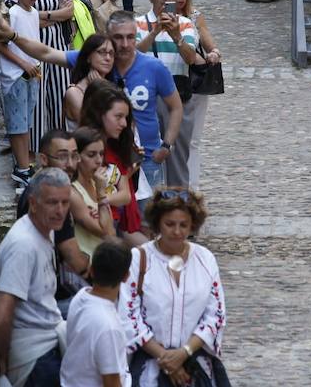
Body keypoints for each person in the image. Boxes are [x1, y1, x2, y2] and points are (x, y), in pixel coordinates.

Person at [0, 9, 183, 199]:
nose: (124, 44)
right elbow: (46, 52)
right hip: (106, 163)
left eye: (130, 37)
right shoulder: (100, 59)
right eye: (118, 38)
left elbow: (175, 106)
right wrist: (13, 36)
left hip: (147, 158)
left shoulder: (153, 67)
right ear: (108, 38)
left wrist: (166, 146)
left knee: (147, 220)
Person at [119, 188, 228, 387]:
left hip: (196, 365)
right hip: (149, 367)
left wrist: (184, 352)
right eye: (170, 224)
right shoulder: (138, 258)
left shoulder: (205, 259)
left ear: (192, 225)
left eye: (183, 225)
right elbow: (129, 315)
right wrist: (167, 359)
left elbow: (216, 315)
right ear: (157, 223)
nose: (177, 232)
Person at [0, 168, 70, 387]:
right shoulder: (23, 246)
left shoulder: (47, 228)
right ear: (33, 204)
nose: (60, 210)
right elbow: (0, 317)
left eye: (65, 203)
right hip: (34, 356)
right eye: (52, 202)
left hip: (47, 338)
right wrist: (3, 362)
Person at [7, 0, 74, 151]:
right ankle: (34, 152)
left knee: (59, 97)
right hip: (30, 45)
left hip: (57, 42)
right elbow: (12, 11)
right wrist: (49, 15)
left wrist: (40, 15)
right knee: (35, 102)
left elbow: (69, 11)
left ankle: (60, 149)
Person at [135, 0, 203, 187]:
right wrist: (155, 31)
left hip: (178, 97)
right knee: (146, 156)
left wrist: (176, 36)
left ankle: (178, 203)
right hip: (147, 97)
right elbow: (133, 55)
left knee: (177, 158)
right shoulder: (137, 23)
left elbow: (191, 59)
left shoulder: (185, 24)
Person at [18, 130, 92, 315]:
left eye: (75, 156)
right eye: (62, 157)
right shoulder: (51, 202)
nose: (71, 164)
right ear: (43, 159)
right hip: (47, 303)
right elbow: (76, 262)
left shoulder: (36, 187)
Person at [169, 0, 222, 189]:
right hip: (170, 80)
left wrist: (214, 53)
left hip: (193, 83)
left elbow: (209, 42)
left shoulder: (195, 16)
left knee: (193, 139)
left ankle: (192, 187)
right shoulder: (158, 18)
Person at [79, 80, 146, 246]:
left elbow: (125, 196)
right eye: (118, 117)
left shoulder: (117, 148)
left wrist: (103, 198)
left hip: (114, 220)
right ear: (100, 115)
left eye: (125, 117)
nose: (124, 124)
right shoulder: (82, 146)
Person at [60, 240, 133, 387]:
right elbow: (111, 382)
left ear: (92, 270)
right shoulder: (109, 327)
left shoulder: (81, 296)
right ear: (126, 276)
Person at [0, 0, 43, 190]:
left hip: (32, 73)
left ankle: (25, 165)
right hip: (15, 75)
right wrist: (23, 63)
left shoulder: (33, 13)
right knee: (17, 125)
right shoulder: (13, 14)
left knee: (26, 123)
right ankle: (21, 168)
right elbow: (0, 44)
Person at [68, 127, 116, 257]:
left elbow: (111, 231)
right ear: (77, 157)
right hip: (83, 265)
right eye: (91, 155)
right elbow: (105, 232)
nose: (99, 160)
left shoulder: (96, 183)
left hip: (101, 260)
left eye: (101, 154)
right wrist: (101, 194)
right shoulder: (73, 191)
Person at [64, 34, 115, 129]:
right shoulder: (74, 92)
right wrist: (101, 90)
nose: (108, 58)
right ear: (88, 57)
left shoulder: (113, 85)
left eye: (111, 53)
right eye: (102, 52)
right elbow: (96, 127)